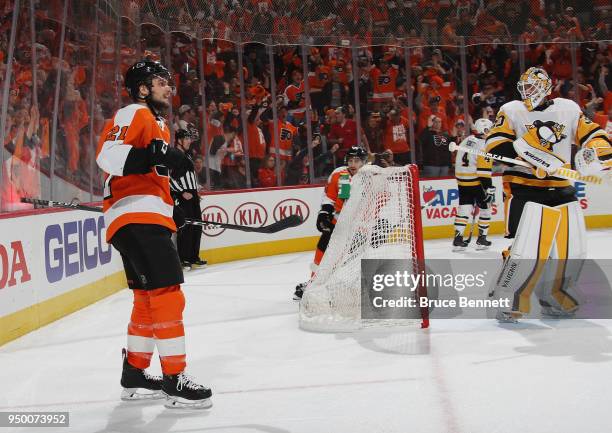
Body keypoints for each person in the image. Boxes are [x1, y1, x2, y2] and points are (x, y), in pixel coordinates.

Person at [95, 60, 212, 409]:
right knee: (168, 295)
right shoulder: (135, 112)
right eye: (160, 82)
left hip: (141, 216)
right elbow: (108, 155)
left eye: (168, 83)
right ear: (143, 89)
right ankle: (174, 378)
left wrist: (170, 186)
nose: (168, 88)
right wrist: (156, 154)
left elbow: (148, 166)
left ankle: (134, 372)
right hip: (136, 216)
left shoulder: (158, 124)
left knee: (147, 301)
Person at [478, 67, 611, 323]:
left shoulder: (568, 108)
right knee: (526, 248)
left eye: (533, 87)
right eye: (524, 87)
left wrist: (597, 152)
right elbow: (495, 144)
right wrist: (525, 157)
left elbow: (593, 133)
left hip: (562, 187)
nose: (528, 92)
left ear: (547, 87)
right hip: (524, 187)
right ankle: (510, 297)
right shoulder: (512, 110)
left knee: (571, 248)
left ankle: (555, 293)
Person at [293, 146, 367, 300]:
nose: (353, 164)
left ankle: (349, 286)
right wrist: (324, 214)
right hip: (337, 223)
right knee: (322, 248)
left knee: (349, 258)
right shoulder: (339, 174)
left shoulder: (371, 177)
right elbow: (330, 197)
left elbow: (381, 200)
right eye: (351, 160)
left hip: (359, 227)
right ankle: (314, 282)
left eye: (357, 161)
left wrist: (381, 222)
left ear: (363, 162)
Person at [452, 118, 494, 251]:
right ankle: (482, 239)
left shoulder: (467, 139)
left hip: (462, 180)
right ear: (486, 130)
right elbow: (483, 172)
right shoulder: (485, 145)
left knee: (464, 208)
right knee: (486, 208)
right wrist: (489, 188)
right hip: (476, 182)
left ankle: (458, 239)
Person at [170, 129, 207, 270]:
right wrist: (181, 192)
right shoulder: (173, 154)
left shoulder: (187, 155)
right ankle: (184, 259)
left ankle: (193, 257)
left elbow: (189, 176)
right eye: (186, 139)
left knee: (197, 226)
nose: (189, 141)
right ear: (179, 140)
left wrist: (195, 189)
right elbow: (167, 177)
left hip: (192, 195)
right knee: (186, 227)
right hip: (182, 196)